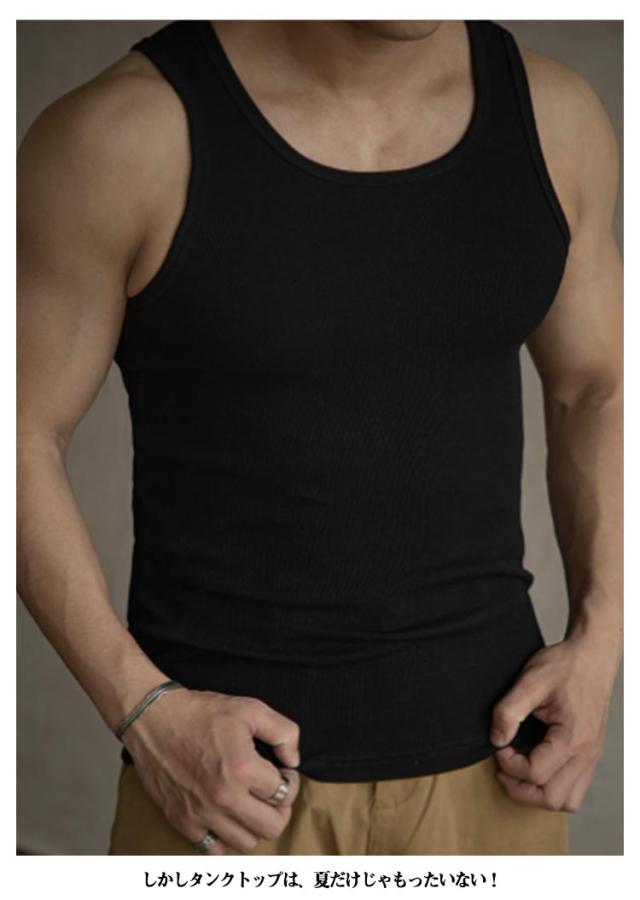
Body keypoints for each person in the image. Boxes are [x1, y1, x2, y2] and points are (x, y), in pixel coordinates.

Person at [17, 19, 622, 856]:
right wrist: (144, 709)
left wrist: (602, 637)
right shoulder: (126, 136)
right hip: (231, 791)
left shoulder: (555, 119)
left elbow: (597, 385)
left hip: (500, 778)